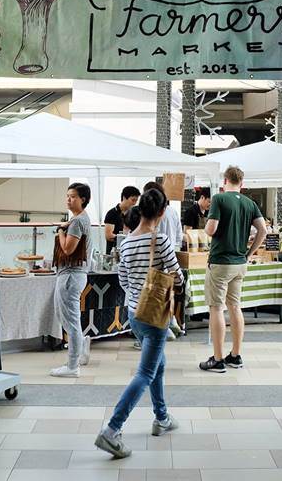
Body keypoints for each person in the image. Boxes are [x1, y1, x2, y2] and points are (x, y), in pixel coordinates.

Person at [95, 188, 184, 458]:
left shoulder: (126, 242)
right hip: (156, 315)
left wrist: (136, 291)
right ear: (160, 211)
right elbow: (177, 277)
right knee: (145, 373)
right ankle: (112, 430)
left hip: (134, 313)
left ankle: (162, 417)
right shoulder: (161, 240)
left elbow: (122, 279)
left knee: (158, 364)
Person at [199, 165, 267, 373]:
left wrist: (206, 227)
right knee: (235, 307)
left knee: (216, 308)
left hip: (220, 262)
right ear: (242, 183)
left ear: (225, 181)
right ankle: (235, 355)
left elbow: (211, 229)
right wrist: (248, 253)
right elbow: (263, 230)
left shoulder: (219, 199)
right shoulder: (250, 203)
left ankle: (218, 359)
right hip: (240, 263)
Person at [50, 183, 93, 377]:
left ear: (82, 199)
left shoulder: (76, 222)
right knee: (68, 318)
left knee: (70, 321)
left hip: (70, 275)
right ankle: (81, 347)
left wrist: (60, 231)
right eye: (67, 196)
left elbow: (67, 249)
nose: (69, 199)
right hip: (76, 275)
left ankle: (72, 366)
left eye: (73, 196)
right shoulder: (81, 219)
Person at [144, 180, 183, 252]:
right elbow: (179, 237)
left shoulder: (148, 213)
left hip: (152, 254)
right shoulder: (173, 211)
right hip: (171, 253)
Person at [104, 186, 140, 254]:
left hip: (130, 251)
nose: (134, 203)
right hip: (114, 252)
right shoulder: (112, 213)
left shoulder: (134, 214)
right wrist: (127, 238)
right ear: (124, 197)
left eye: (136, 201)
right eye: (133, 200)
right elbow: (108, 236)